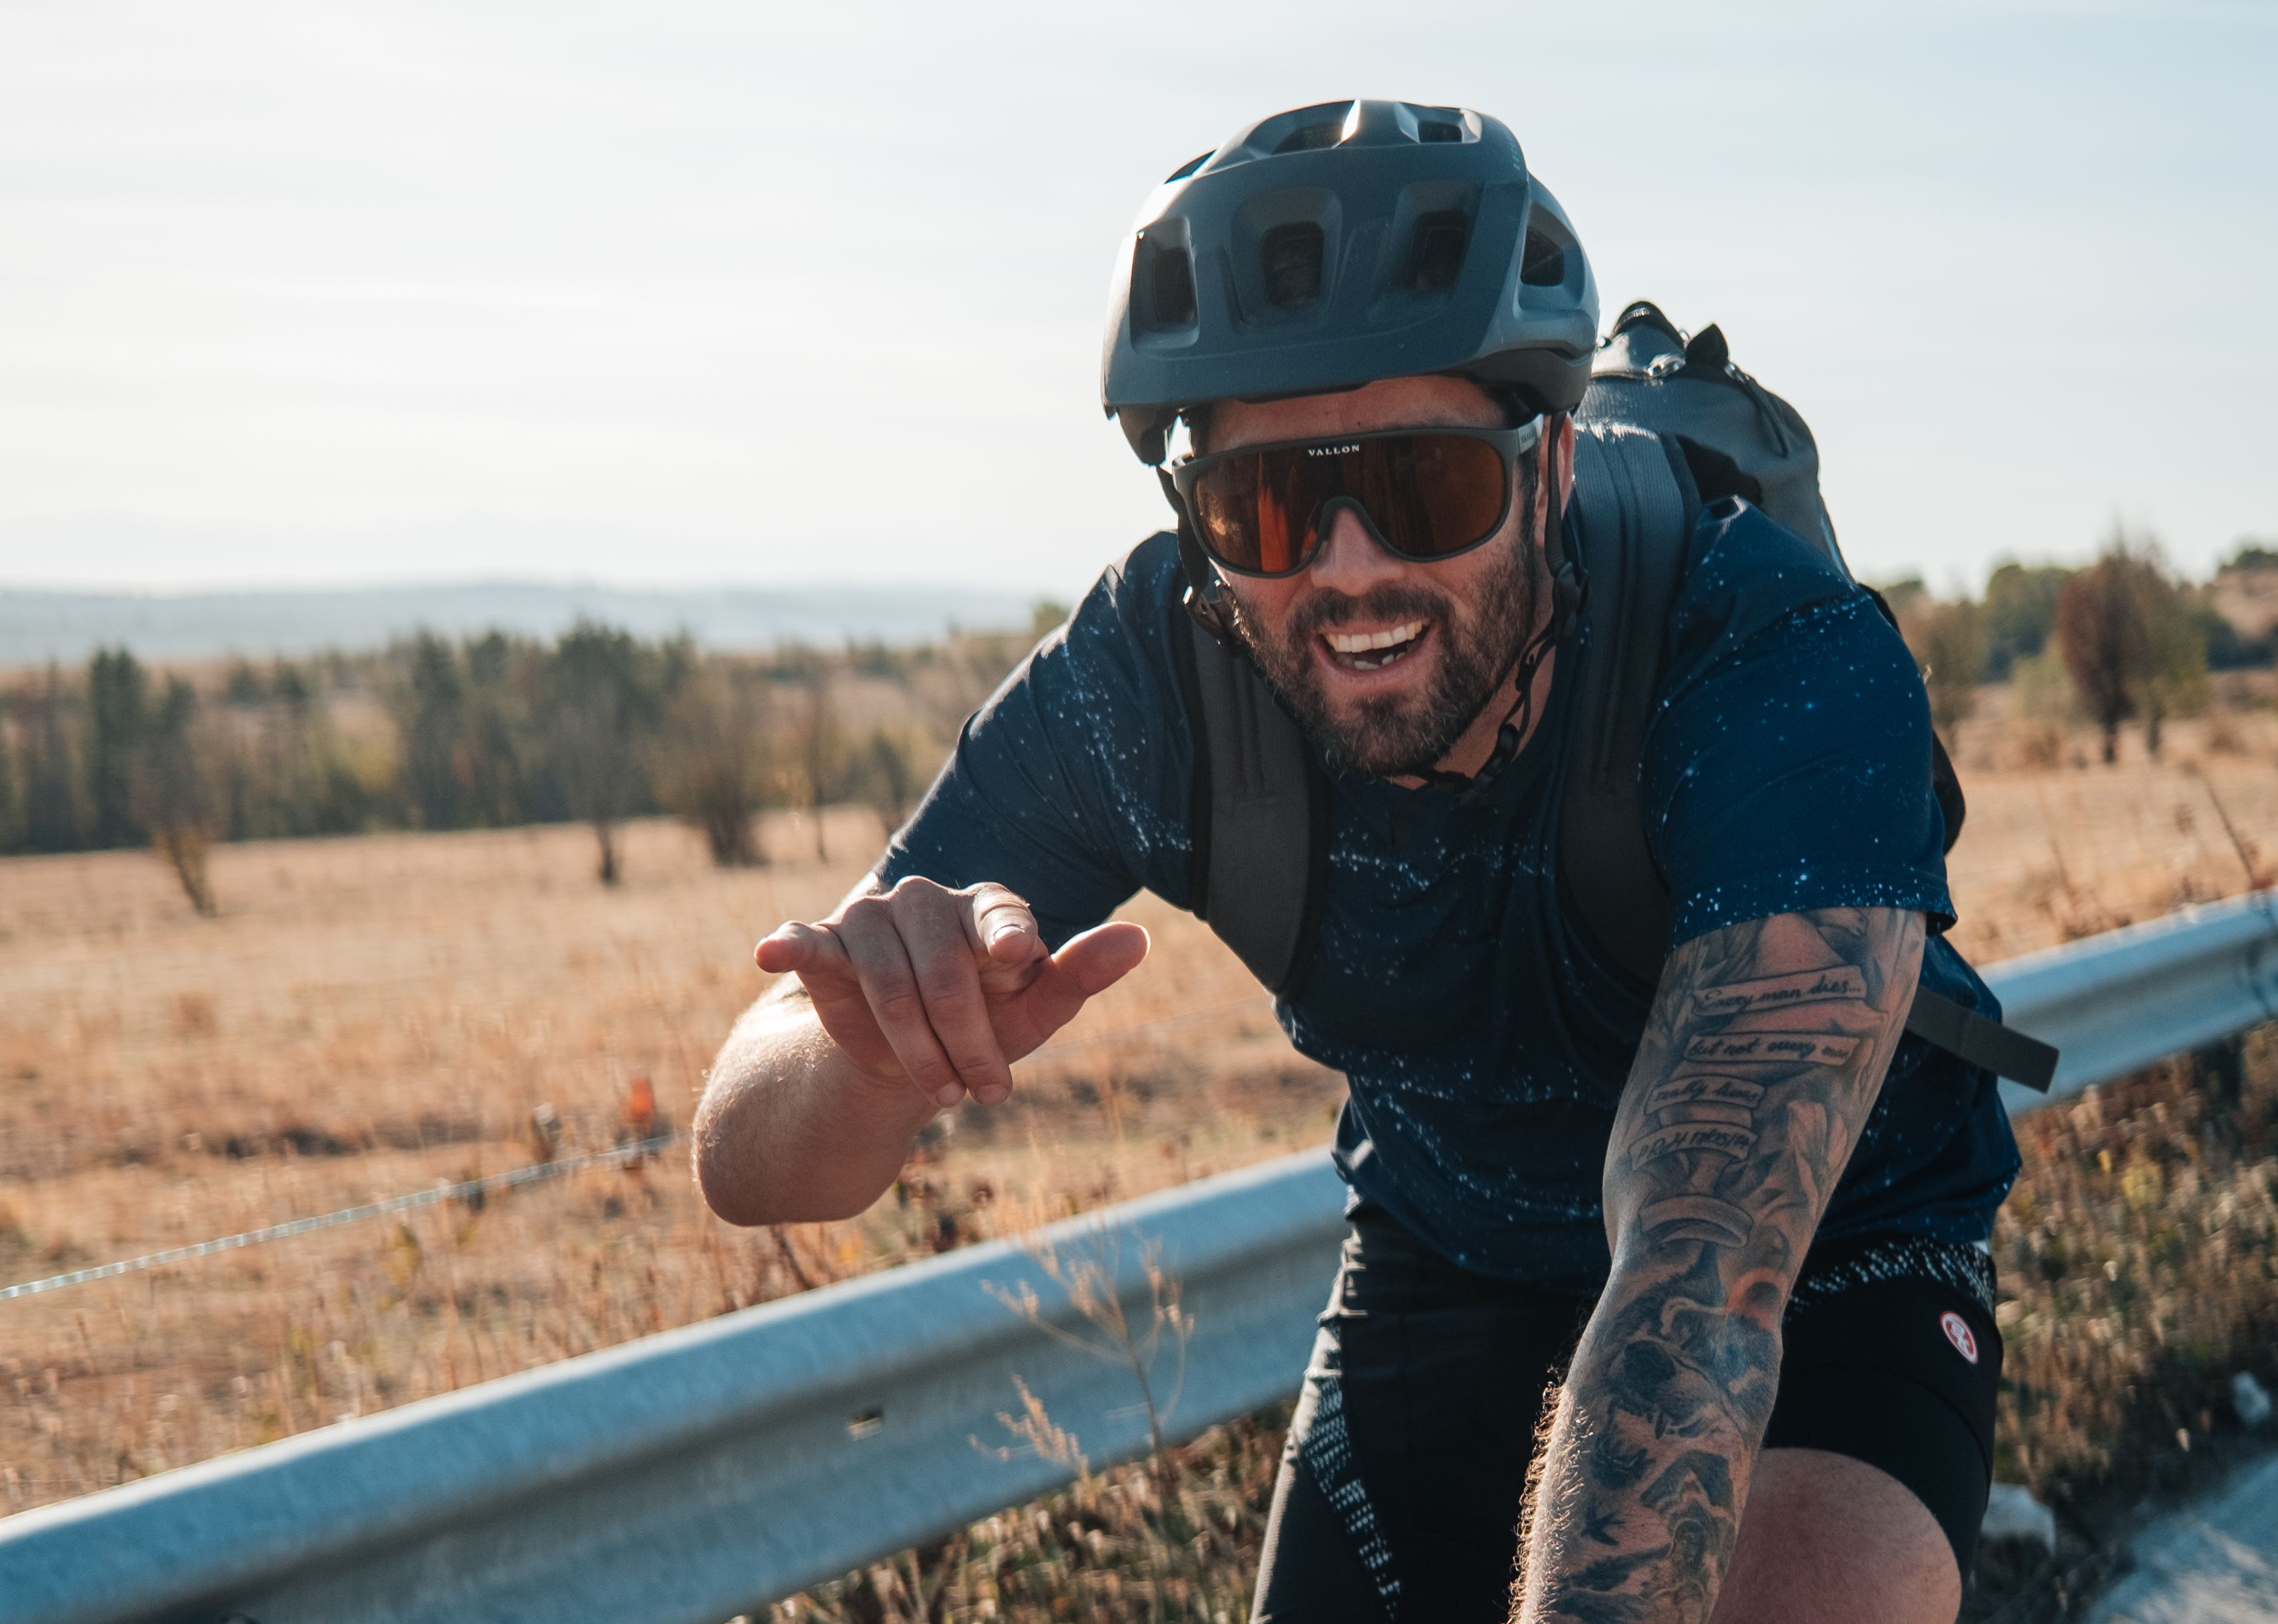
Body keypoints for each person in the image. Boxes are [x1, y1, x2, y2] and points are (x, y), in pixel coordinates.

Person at [695, 99, 2018, 1624]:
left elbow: (1697, 1279)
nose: (1347, 566)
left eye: (1425, 485)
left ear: (1551, 462)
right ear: (1192, 515)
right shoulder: (1148, 678)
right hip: (1449, 1245)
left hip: (1818, 1242)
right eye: (1262, 503)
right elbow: (746, 1160)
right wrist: (864, 1054)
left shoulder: (1771, 655)